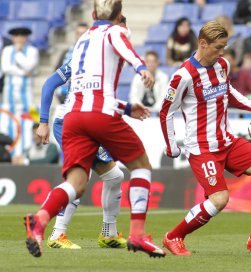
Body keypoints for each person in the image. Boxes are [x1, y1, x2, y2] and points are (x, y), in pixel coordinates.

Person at [24, 0, 166, 258]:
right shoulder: (115, 32)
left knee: (78, 182)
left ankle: (40, 220)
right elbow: (123, 47)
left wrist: (125, 107)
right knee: (141, 166)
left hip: (75, 118)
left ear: (91, 15)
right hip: (96, 116)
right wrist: (142, 68)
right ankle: (136, 234)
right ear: (119, 16)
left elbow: (87, 88)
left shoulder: (82, 42)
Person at [160, 21, 251, 256]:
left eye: (224, 47)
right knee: (219, 199)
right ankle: (173, 236)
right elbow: (166, 111)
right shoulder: (182, 76)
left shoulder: (222, 64)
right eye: (218, 47)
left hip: (227, 141)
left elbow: (228, 92)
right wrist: (171, 145)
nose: (222, 52)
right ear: (203, 43)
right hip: (202, 148)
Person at [1, 27, 39, 113]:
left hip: (26, 88)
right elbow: (6, 68)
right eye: (16, 36)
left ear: (26, 38)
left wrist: (18, 53)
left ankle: (35, 126)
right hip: (9, 88)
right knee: (8, 114)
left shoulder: (32, 51)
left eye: (22, 36)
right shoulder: (7, 50)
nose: (19, 39)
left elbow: (29, 66)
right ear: (13, 38)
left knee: (32, 112)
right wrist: (23, 73)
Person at [55, 23, 89, 104]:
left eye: (83, 34)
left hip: (84, 97)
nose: (81, 36)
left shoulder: (92, 53)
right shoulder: (66, 52)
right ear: (75, 35)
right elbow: (57, 73)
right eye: (78, 34)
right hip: (65, 97)